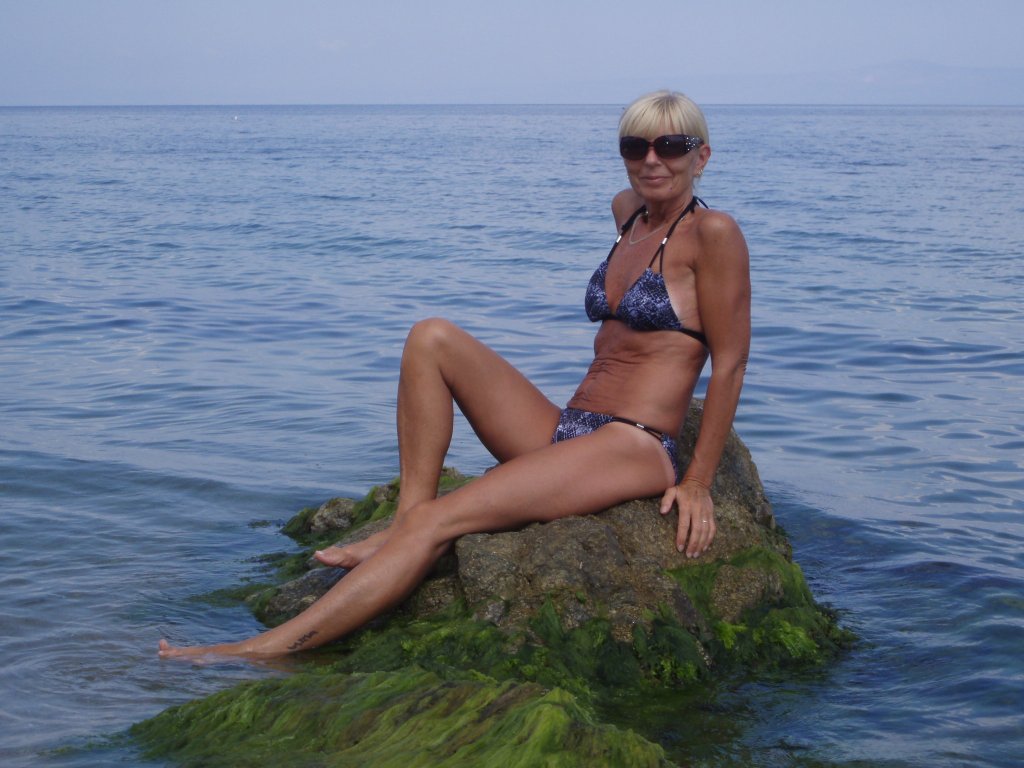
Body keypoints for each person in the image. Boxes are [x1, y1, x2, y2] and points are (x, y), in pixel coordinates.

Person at [159, 90, 750, 660]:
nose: (651, 160)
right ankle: (405, 518)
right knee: (430, 337)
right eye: (635, 146)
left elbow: (731, 362)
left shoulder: (713, 234)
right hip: (569, 429)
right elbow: (630, 212)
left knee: (442, 520)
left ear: (701, 156)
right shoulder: (628, 215)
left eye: (671, 146)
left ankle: (261, 649)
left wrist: (698, 480)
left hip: (633, 442)